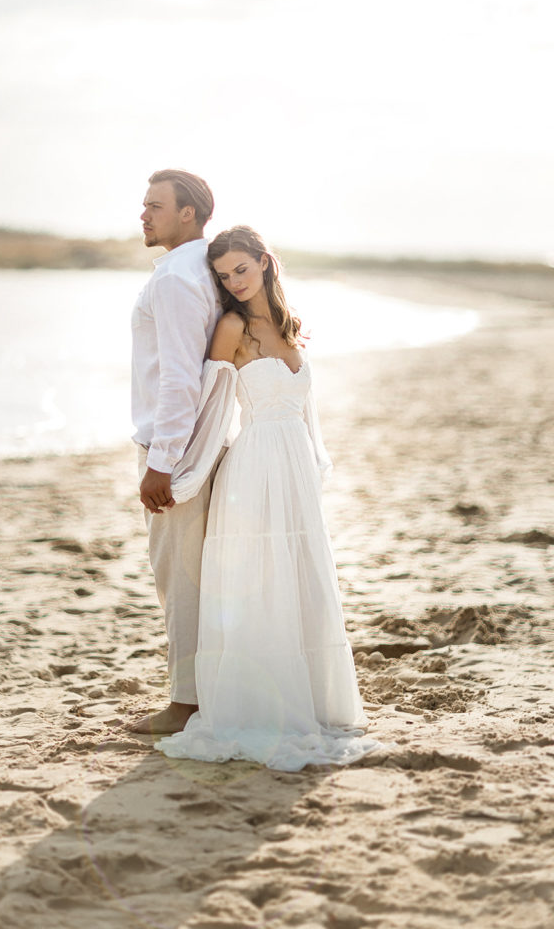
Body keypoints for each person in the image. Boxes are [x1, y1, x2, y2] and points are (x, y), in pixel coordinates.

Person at [153, 226, 381, 770]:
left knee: (297, 574)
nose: (234, 282)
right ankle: (254, 705)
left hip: (294, 467)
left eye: (241, 269)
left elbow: (306, 411)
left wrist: (314, 465)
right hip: (253, 466)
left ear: (264, 262)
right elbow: (210, 407)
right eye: (224, 276)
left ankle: (307, 699)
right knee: (258, 577)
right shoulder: (231, 327)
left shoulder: (288, 325)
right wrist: (181, 472)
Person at [127, 169, 222, 735]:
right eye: (144, 205)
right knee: (200, 573)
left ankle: (186, 704)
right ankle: (204, 691)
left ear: (189, 213)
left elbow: (180, 378)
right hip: (203, 441)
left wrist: (160, 462)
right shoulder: (205, 268)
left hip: (180, 452)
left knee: (180, 578)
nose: (143, 215)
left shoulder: (176, 278)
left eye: (155, 206)